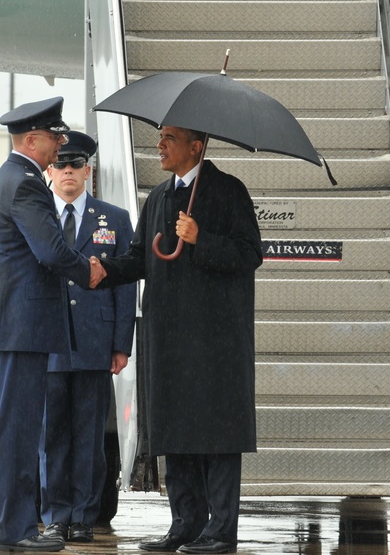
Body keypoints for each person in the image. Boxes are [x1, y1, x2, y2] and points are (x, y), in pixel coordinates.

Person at [98, 125, 263, 554]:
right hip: (168, 338)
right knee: (177, 429)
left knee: (217, 433)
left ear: (196, 145)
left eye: (170, 137)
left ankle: (221, 530)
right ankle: (186, 523)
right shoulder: (158, 198)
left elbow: (250, 254)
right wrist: (104, 270)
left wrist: (200, 239)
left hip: (215, 341)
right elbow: (139, 256)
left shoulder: (228, 192)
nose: (160, 144)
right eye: (160, 136)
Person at [0, 97, 106, 552]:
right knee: (18, 432)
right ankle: (16, 530)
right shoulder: (26, 184)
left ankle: (15, 525)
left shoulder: (8, 179)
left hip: (10, 324)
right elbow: (50, 250)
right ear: (32, 139)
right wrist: (86, 268)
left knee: (17, 429)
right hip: (18, 324)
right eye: (54, 137)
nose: (60, 144)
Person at [39, 132, 136, 543]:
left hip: (95, 343)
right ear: (49, 170)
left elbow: (125, 284)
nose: (67, 172)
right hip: (48, 342)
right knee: (52, 437)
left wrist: (121, 343)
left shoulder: (112, 219)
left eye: (75, 165)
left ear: (88, 171)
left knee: (90, 438)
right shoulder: (37, 213)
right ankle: (55, 515)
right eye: (60, 165)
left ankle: (83, 515)